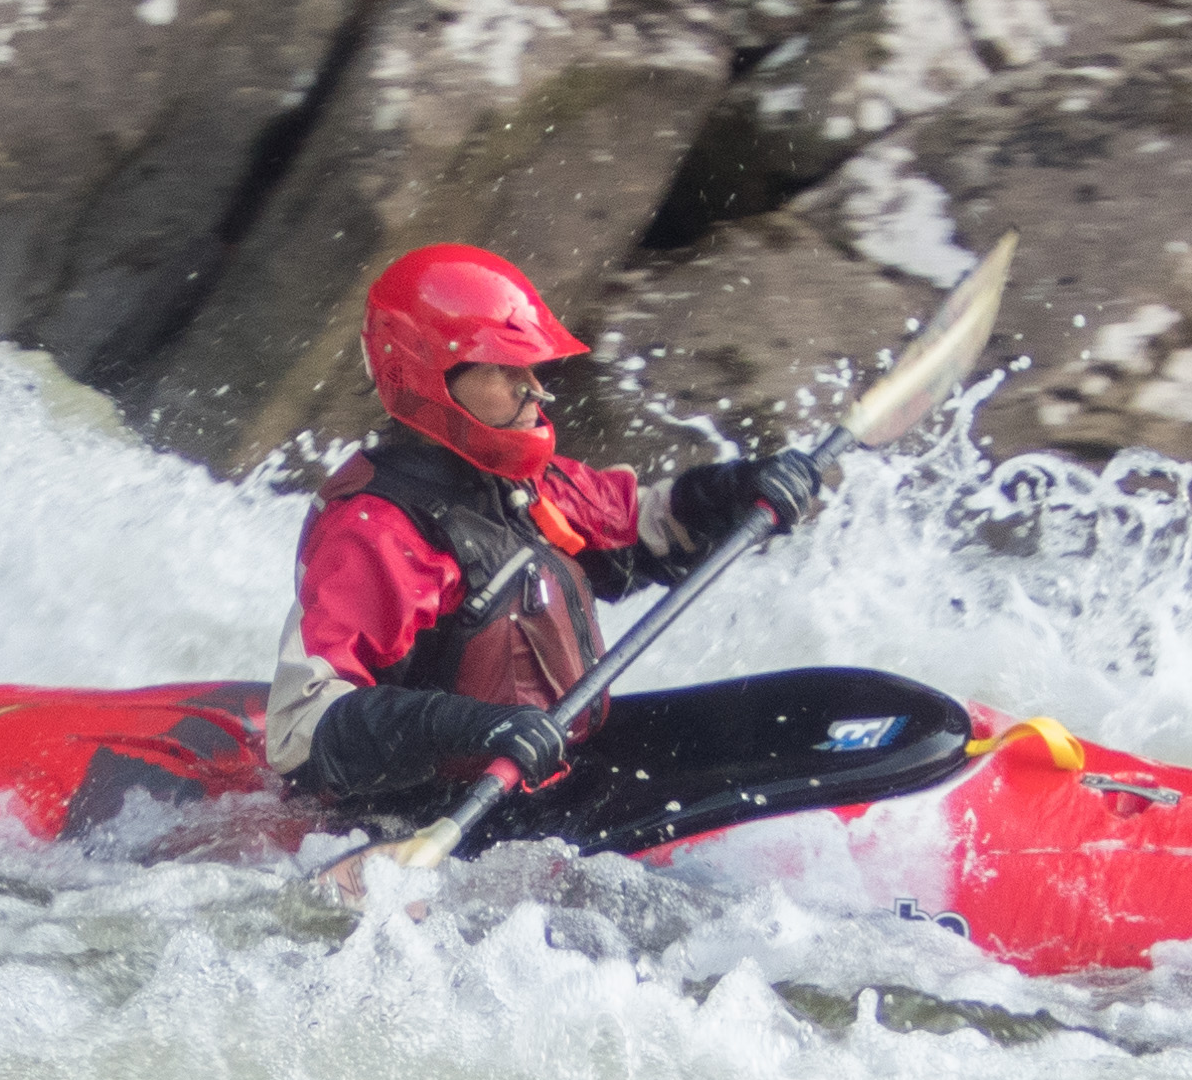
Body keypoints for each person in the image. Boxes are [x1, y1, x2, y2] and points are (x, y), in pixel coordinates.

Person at [266, 243, 851, 844]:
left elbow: (643, 529)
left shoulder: (520, 481)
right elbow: (299, 727)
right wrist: (478, 727)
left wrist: (738, 489)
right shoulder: (376, 530)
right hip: (442, 814)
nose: (535, 391)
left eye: (530, 369)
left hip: (550, 780)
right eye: (505, 370)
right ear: (429, 377)